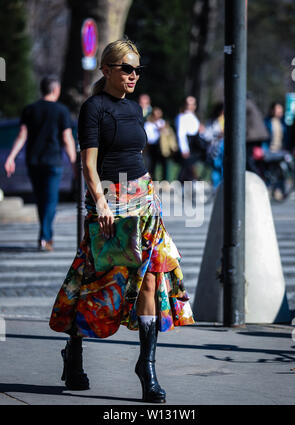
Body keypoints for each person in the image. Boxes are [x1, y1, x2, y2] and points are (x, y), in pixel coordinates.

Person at [49, 39, 195, 403]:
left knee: (150, 280)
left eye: (137, 70)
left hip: (144, 204)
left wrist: (151, 191)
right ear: (107, 70)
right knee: (94, 282)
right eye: (126, 68)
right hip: (109, 206)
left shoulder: (134, 110)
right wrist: (99, 201)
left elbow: (137, 156)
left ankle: (147, 367)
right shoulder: (93, 108)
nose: (133, 75)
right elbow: (88, 164)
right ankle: (75, 353)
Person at [4, 76, 76, 251]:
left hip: (33, 161)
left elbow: (22, 134)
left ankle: (45, 236)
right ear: (55, 90)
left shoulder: (30, 109)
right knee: (50, 200)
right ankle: (45, 237)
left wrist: (11, 156)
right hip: (53, 162)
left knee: (41, 200)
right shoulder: (61, 110)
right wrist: (74, 162)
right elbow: (67, 138)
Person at [175, 96, 206, 188]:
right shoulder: (181, 117)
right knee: (187, 165)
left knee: (191, 164)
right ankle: (186, 183)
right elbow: (181, 134)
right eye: (189, 104)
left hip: (195, 142)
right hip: (188, 142)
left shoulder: (194, 116)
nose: (190, 106)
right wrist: (184, 148)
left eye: (193, 104)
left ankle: (190, 181)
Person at [144, 107, 167, 181]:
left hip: (161, 147)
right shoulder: (148, 124)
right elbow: (147, 136)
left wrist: (163, 130)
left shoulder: (162, 122)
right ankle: (152, 181)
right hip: (151, 146)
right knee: (151, 165)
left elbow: (167, 134)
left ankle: (164, 181)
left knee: (164, 165)